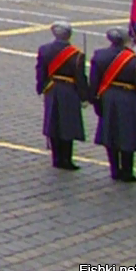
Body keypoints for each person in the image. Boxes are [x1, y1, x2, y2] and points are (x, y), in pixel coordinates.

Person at [90, 28, 136, 182]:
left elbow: (94, 83)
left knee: (111, 133)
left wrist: (96, 102)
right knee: (128, 135)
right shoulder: (134, 59)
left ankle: (114, 169)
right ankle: (127, 171)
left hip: (108, 97)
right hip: (128, 99)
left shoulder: (100, 55)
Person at [36, 22, 89, 170]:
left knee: (53, 123)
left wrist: (41, 88)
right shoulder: (76, 54)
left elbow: (41, 72)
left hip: (51, 89)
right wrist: (84, 96)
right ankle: (66, 159)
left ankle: (56, 158)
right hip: (69, 90)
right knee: (68, 124)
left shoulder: (44, 49)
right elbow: (80, 78)